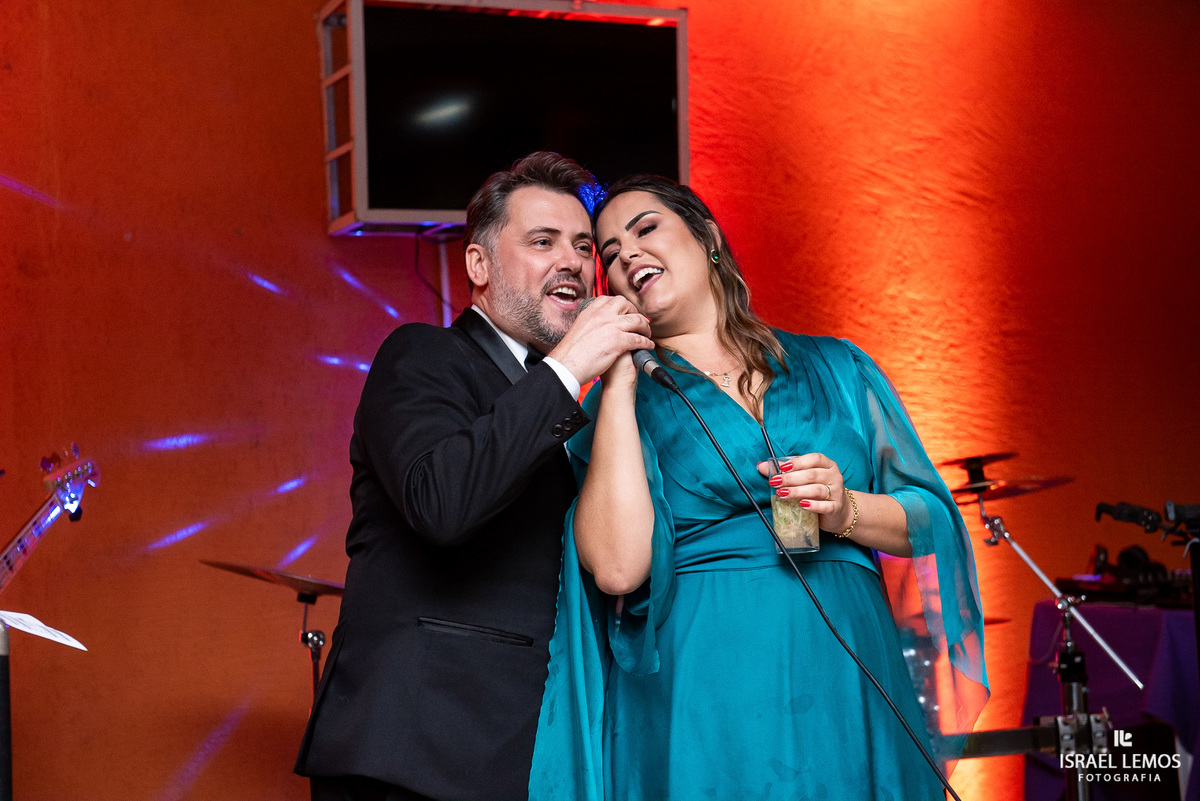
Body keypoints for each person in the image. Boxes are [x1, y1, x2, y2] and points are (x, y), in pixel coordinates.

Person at [529, 175, 989, 800]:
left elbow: (932, 519)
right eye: (609, 255)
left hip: (847, 665)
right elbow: (613, 569)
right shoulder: (620, 405)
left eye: (645, 229)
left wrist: (847, 509)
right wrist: (618, 377)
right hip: (705, 682)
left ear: (708, 239)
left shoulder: (839, 367)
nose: (626, 256)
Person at [294, 152, 654, 801]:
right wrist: (568, 369)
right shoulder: (422, 355)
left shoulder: (581, 409)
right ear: (478, 266)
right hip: (418, 752)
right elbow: (443, 501)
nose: (572, 261)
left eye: (580, 245)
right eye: (542, 242)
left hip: (535, 754)